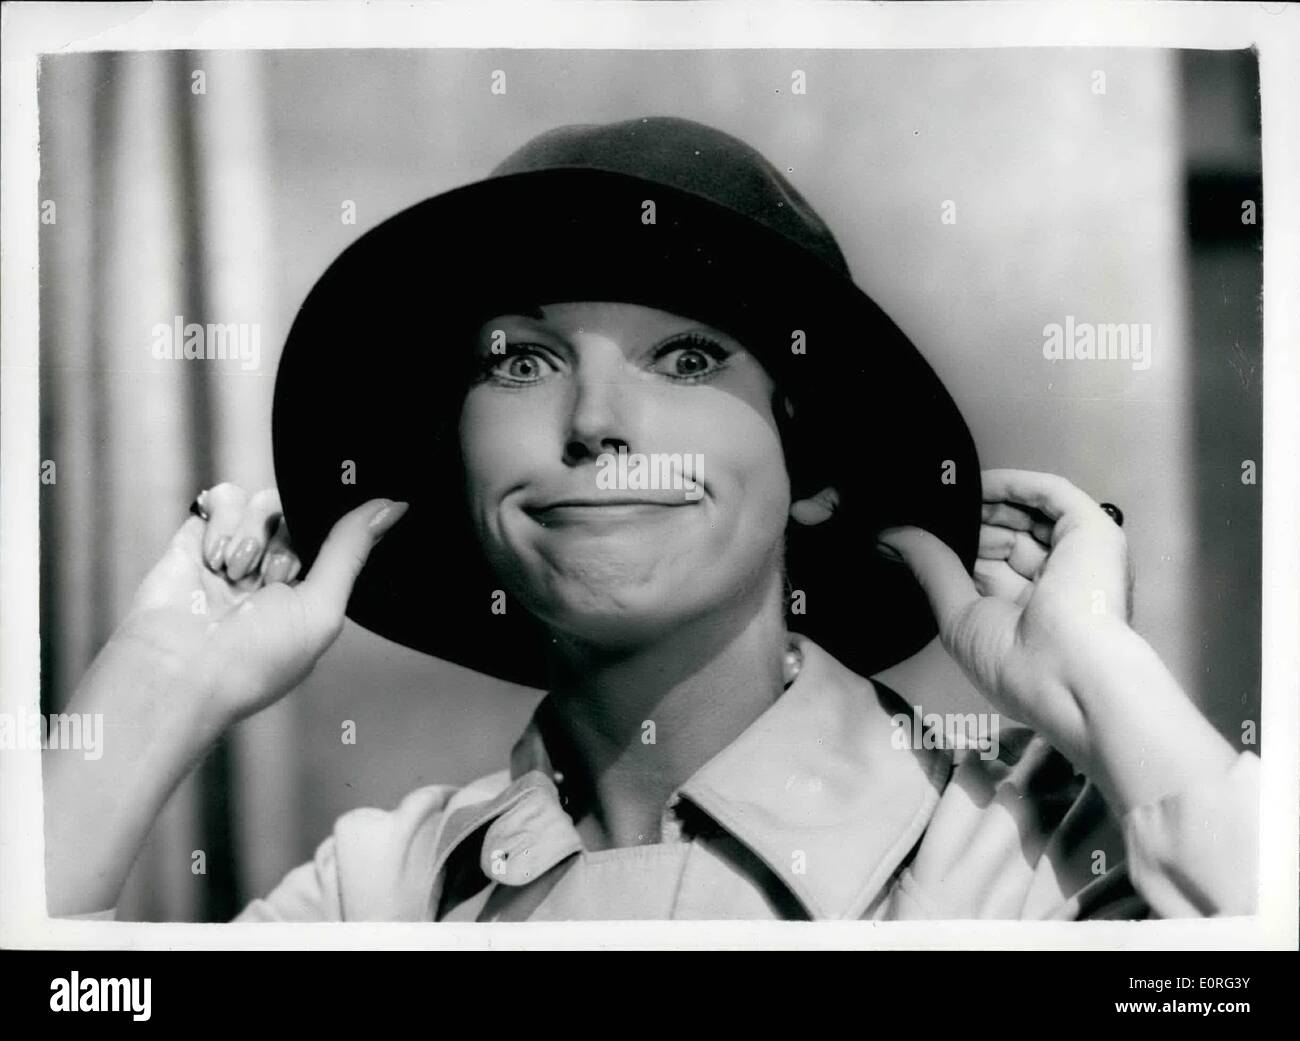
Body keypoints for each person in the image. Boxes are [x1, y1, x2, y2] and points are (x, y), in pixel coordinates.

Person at [45, 117, 1258, 922]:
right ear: (457, 472)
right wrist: (157, 687)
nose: (595, 424)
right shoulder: (379, 889)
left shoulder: (1043, 854)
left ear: (812, 464)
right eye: (517, 363)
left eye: (687, 359)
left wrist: (1103, 686)